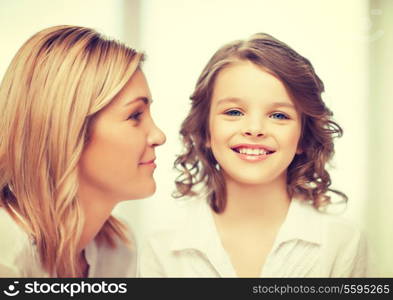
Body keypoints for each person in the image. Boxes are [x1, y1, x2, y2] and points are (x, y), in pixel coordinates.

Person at [140, 33, 371, 277]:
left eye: (279, 115)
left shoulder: (343, 242)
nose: (255, 129)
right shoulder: (160, 243)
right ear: (206, 131)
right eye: (234, 112)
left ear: (303, 137)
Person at [0, 25, 166, 277]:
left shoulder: (118, 249)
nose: (159, 136)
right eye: (135, 116)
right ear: (69, 130)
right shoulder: (7, 247)